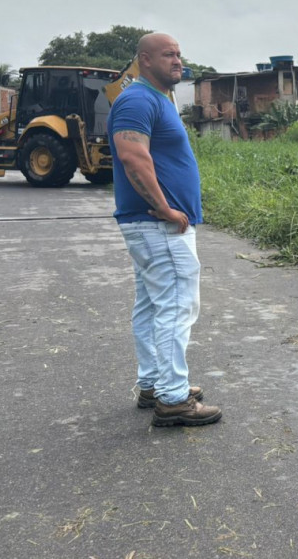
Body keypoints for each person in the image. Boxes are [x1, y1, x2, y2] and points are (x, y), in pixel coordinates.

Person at [111, 33, 222, 427]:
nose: (177, 60)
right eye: (167, 54)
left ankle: (153, 383)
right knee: (176, 306)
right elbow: (132, 157)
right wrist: (165, 208)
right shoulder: (137, 99)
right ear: (144, 59)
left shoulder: (158, 99)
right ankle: (173, 398)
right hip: (157, 225)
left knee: (152, 305)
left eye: (178, 54)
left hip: (151, 226)